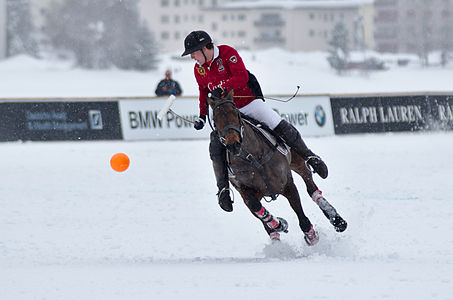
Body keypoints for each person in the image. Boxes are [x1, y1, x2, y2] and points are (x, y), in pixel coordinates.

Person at [181, 30, 328, 214]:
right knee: (215, 144)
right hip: (226, 115)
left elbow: (241, 76)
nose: (192, 58)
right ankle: (223, 189)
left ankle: (310, 157)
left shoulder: (227, 53)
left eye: (194, 53)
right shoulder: (199, 69)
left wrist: (223, 88)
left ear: (204, 49)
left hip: (248, 104)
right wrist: (202, 116)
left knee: (276, 122)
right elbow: (203, 91)